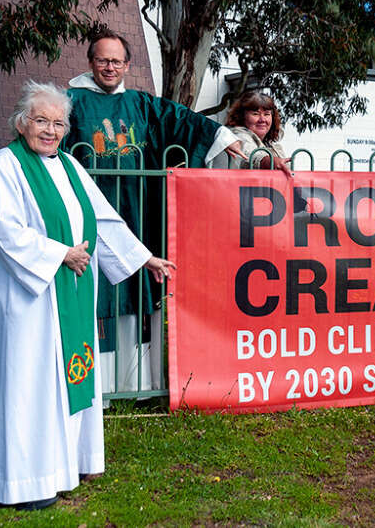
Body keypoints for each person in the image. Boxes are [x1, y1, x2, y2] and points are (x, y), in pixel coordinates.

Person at [0, 81, 176, 509]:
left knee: (65, 380)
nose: (50, 130)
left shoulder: (69, 165)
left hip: (71, 292)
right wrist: (60, 254)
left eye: (59, 123)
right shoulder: (3, 166)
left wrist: (145, 259)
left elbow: (103, 217)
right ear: (22, 122)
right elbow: (5, 231)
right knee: (29, 383)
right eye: (41, 121)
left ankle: (66, 462)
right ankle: (25, 480)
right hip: (28, 300)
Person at [61, 28, 241, 395]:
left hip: (137, 210)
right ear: (90, 62)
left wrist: (226, 137)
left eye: (116, 61)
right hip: (89, 213)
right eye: (102, 60)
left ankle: (135, 380)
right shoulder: (69, 102)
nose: (109, 67)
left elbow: (183, 121)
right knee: (96, 290)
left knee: (137, 282)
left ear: (127, 64)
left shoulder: (143, 105)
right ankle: (95, 384)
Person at [208, 90, 291, 176]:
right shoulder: (237, 136)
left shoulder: (271, 145)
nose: (262, 120)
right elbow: (249, 155)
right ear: (241, 116)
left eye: (267, 114)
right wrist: (268, 161)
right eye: (255, 114)